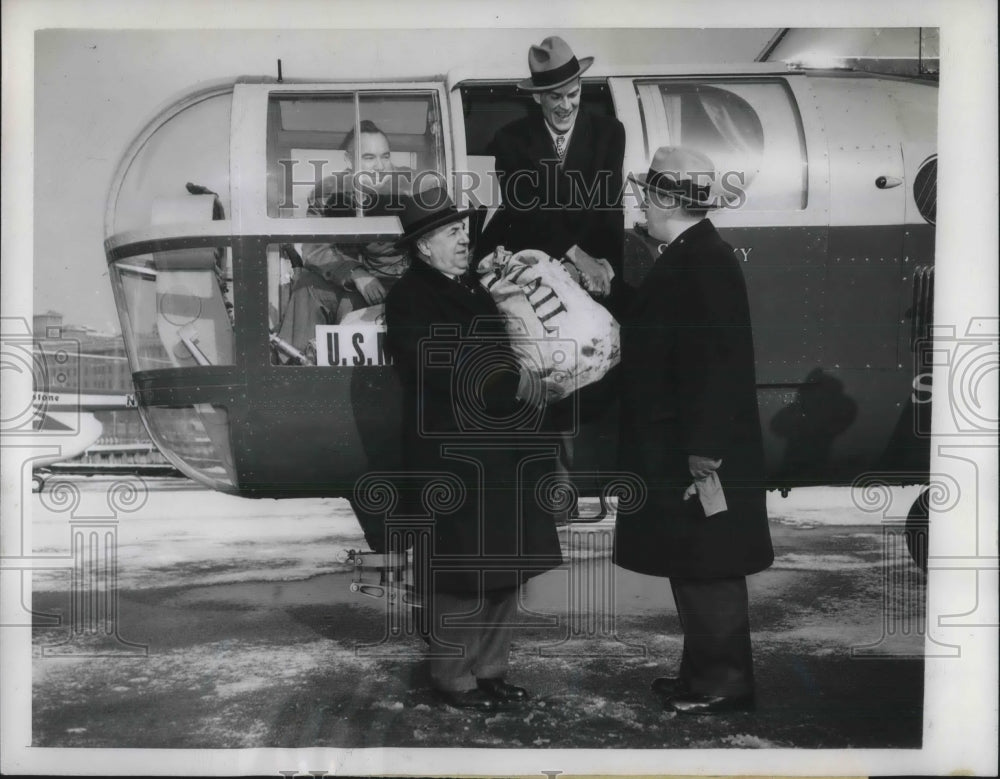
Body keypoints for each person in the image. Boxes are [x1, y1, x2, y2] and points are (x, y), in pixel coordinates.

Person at [383, 187, 563, 711]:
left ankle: (491, 670)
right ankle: (453, 678)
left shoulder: (471, 288)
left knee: (504, 568)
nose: (465, 239)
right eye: (450, 233)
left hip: (499, 451)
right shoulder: (410, 297)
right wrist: (513, 383)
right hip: (456, 457)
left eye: (464, 229)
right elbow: (438, 365)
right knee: (462, 575)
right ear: (422, 247)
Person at [613, 146, 774, 715]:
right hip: (689, 446)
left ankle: (724, 684)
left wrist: (704, 451)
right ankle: (701, 676)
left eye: (645, 194)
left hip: (702, 453)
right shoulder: (689, 254)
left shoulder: (703, 260)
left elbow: (720, 361)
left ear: (664, 197)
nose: (639, 204)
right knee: (694, 560)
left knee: (710, 566)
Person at [476, 36, 625, 307]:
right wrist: (578, 259)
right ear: (537, 96)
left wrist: (608, 271)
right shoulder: (510, 140)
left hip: (593, 263)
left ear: (581, 87)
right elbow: (526, 213)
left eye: (573, 94)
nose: (566, 106)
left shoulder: (610, 133)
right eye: (556, 97)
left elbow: (611, 209)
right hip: (536, 268)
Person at [304, 120, 413, 318]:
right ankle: (299, 349)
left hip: (405, 280)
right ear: (349, 160)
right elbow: (315, 247)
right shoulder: (328, 192)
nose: (380, 166)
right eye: (369, 158)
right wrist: (354, 272)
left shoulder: (413, 187)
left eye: (385, 156)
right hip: (351, 280)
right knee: (306, 287)